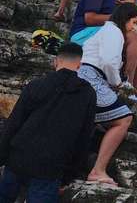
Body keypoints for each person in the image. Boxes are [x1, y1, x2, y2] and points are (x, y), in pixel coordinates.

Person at [0, 42, 96, 202]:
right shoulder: (87, 95)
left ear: (56, 61)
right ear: (80, 65)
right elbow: (83, 139)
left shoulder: (36, 85)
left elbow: (13, 124)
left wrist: (2, 157)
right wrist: (69, 176)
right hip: (50, 168)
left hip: (18, 159)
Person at [77, 3, 137, 186]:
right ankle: (98, 170)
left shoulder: (106, 30)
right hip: (93, 78)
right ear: (125, 19)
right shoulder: (115, 32)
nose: (133, 28)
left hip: (86, 75)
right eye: (133, 22)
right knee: (124, 118)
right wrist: (118, 83)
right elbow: (108, 62)